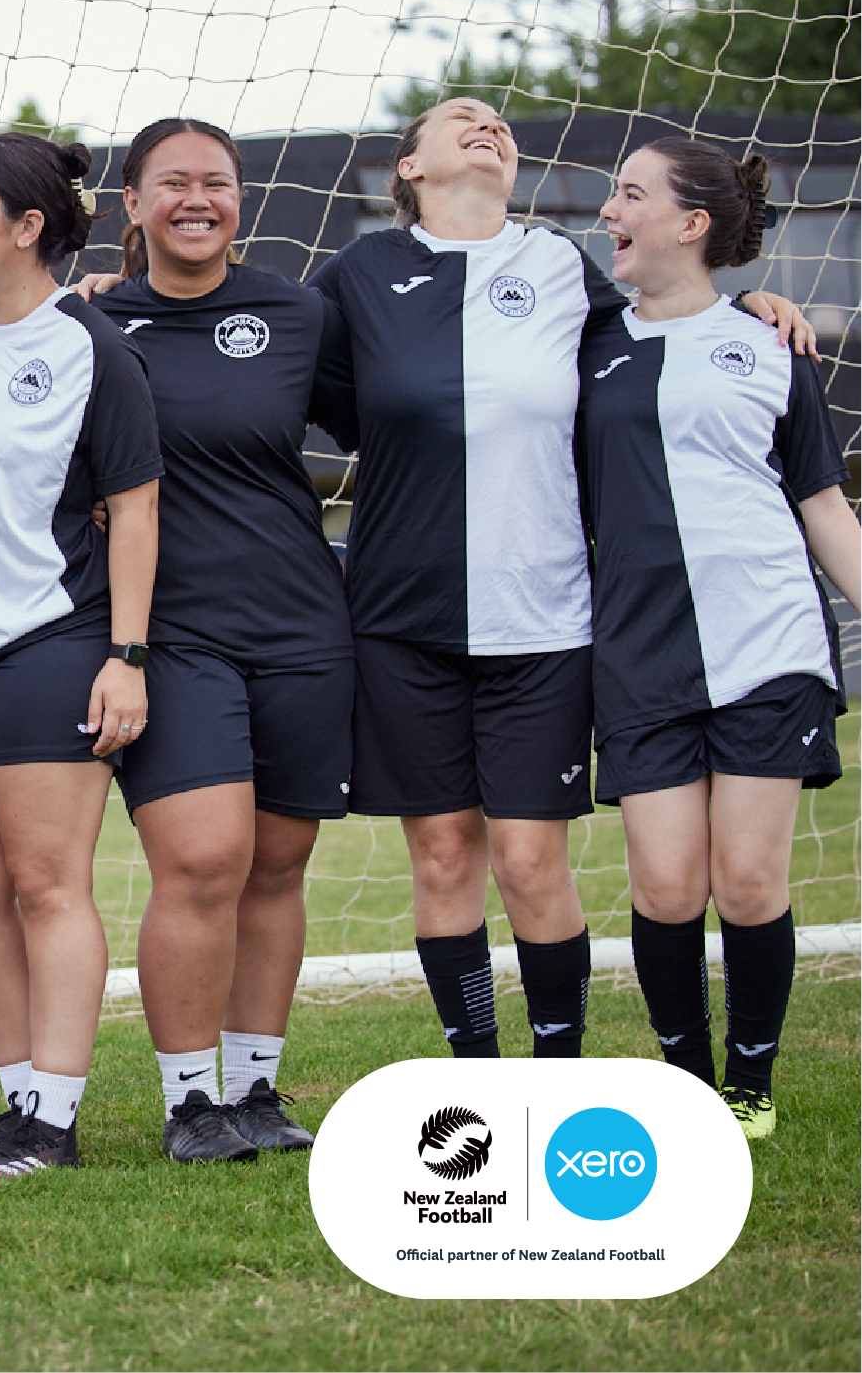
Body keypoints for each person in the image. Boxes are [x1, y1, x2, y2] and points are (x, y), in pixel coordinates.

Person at [309, 98, 816, 1062]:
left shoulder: (559, 267)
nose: (486, 124)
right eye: (458, 118)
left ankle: (557, 1069)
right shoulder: (356, 276)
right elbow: (270, 383)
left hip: (543, 621)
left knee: (531, 856)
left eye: (498, 118)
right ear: (406, 169)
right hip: (399, 617)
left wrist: (754, 303)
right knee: (444, 852)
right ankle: (479, 1074)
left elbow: (670, 320)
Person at [78, 118, 357, 1161]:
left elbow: (399, 412)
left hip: (299, 623)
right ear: (134, 206)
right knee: (201, 860)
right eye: (174, 183)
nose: (199, 199)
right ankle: (189, 1101)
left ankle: (255, 1089)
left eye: (219, 183)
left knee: (276, 867)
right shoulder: (90, 326)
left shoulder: (298, 312)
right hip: (169, 634)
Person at [578, 137, 862, 1138]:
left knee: (746, 883)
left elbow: (822, 508)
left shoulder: (769, 346)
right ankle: (686, 1086)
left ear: (690, 223)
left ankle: (747, 1086)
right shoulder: (586, 345)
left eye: (628, 194)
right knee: (664, 883)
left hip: (768, 643)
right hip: (640, 652)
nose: (609, 210)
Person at [0, 132, 161, 1177]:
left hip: (54, 641)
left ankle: (51, 1119)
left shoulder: (94, 347)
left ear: (26, 227)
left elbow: (136, 511)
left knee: (47, 883)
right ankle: (18, 1105)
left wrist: (127, 655)